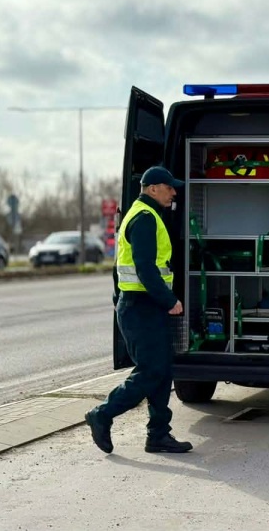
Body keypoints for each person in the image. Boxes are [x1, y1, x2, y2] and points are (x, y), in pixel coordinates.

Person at [85, 166, 194, 455]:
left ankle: (158, 434)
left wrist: (118, 297)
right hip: (142, 306)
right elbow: (145, 268)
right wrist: (169, 300)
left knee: (162, 369)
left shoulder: (140, 214)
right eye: (169, 187)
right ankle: (102, 414)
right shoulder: (145, 218)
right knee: (151, 371)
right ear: (153, 188)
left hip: (140, 305)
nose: (174, 191)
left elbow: (119, 265)